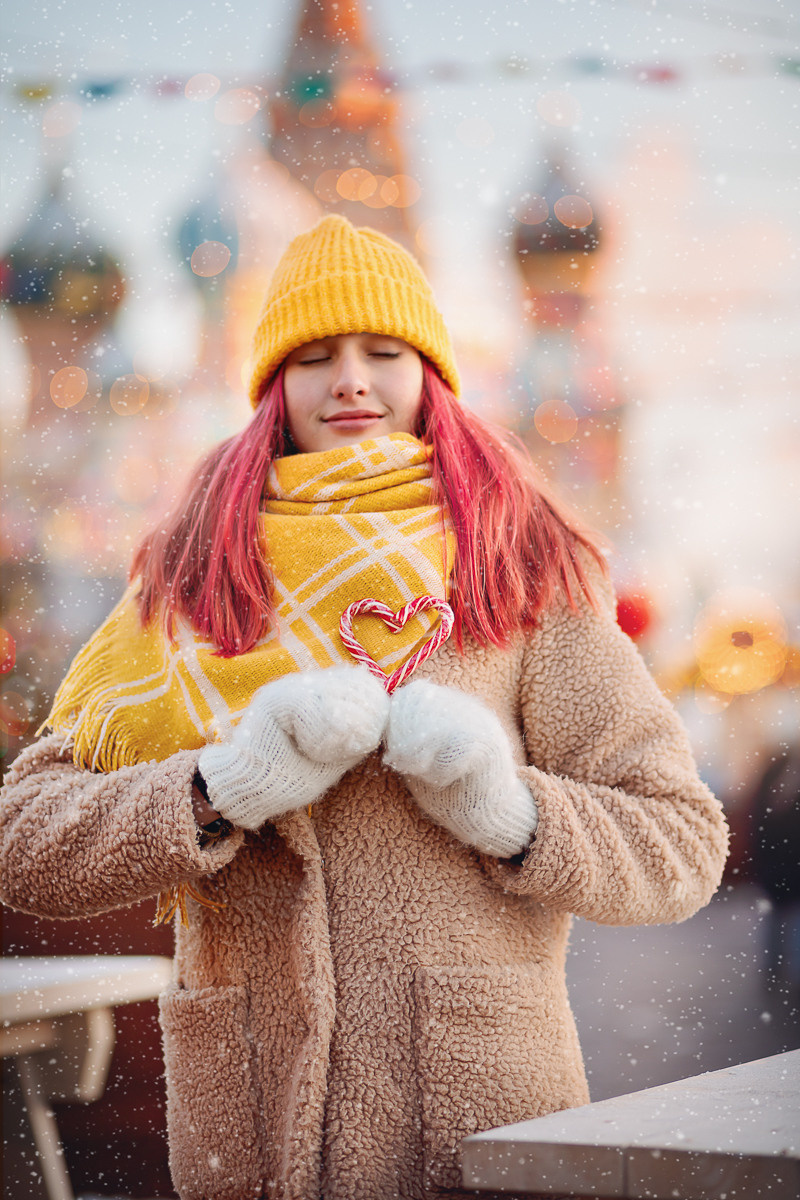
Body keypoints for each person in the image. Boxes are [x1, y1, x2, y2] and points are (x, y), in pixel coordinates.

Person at [0, 215, 729, 1200]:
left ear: (429, 376)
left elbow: (679, 846)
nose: (350, 380)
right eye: (314, 356)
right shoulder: (190, 581)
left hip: (474, 1116)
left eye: (384, 352)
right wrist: (216, 786)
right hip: (249, 1131)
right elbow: (24, 838)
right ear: (272, 389)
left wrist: (503, 809)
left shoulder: (516, 574)